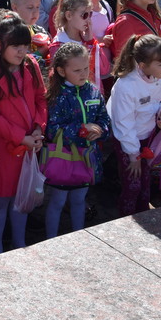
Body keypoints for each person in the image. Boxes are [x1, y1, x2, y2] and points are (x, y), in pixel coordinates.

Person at [0, 12, 45, 254]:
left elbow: (40, 100)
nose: (22, 51)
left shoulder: (31, 65)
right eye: (16, 46)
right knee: (1, 199)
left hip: (27, 144)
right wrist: (21, 137)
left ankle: (19, 242)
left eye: (25, 45)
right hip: (3, 148)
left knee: (21, 197)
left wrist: (38, 127)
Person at [43, 43, 109, 237]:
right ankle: (50, 240)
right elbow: (52, 130)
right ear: (62, 71)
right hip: (62, 161)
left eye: (86, 68)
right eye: (77, 70)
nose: (83, 74)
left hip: (87, 159)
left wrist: (101, 130)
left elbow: (104, 119)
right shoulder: (57, 96)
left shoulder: (94, 92)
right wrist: (81, 130)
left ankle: (79, 238)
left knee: (80, 200)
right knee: (57, 202)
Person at [107, 34, 161, 216]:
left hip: (149, 135)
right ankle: (127, 222)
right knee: (132, 184)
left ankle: (144, 214)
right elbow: (124, 124)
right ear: (143, 65)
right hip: (127, 141)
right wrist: (133, 155)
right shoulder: (126, 85)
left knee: (146, 182)